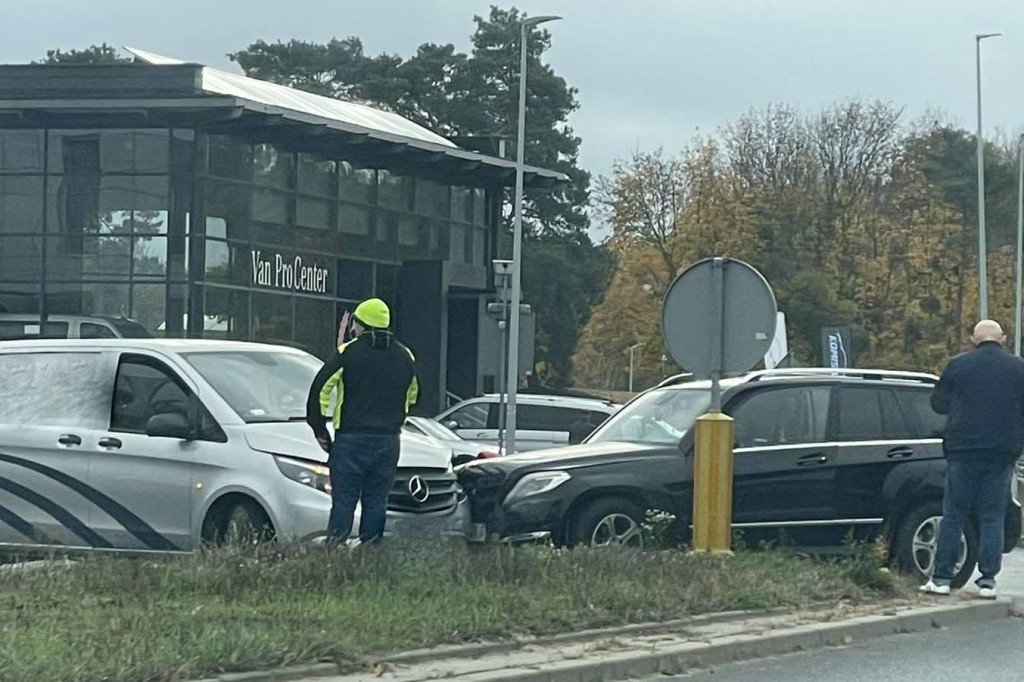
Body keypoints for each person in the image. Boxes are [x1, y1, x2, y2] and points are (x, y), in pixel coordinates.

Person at [922, 319, 1024, 598]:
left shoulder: (958, 365)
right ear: (1002, 338)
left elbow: (938, 404)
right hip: (1002, 452)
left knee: (954, 513)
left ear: (973, 339)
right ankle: (987, 581)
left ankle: (942, 578)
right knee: (992, 515)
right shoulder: (1018, 368)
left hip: (963, 450)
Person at [305, 298, 418, 545]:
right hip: (388, 441)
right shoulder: (404, 355)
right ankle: (370, 552)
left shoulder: (348, 352)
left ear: (361, 324)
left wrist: (319, 428)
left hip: (351, 439)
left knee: (344, 500)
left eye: (355, 323)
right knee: (377, 500)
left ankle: (335, 550)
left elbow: (320, 390)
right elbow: (412, 395)